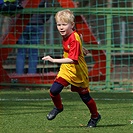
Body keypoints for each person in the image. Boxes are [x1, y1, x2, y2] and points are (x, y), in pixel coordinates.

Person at [42, 9, 101, 128]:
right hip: (66, 70)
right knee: (54, 91)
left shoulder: (74, 38)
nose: (61, 27)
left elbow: (73, 59)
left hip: (78, 71)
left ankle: (95, 116)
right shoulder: (69, 35)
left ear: (72, 25)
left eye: (64, 24)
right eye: (59, 24)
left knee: (85, 97)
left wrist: (53, 60)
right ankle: (58, 107)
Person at [16, 0, 50, 74]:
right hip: (37, 23)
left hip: (22, 23)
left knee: (21, 52)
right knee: (33, 52)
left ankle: (18, 76)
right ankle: (31, 75)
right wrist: (42, 20)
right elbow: (48, 9)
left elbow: (16, 6)